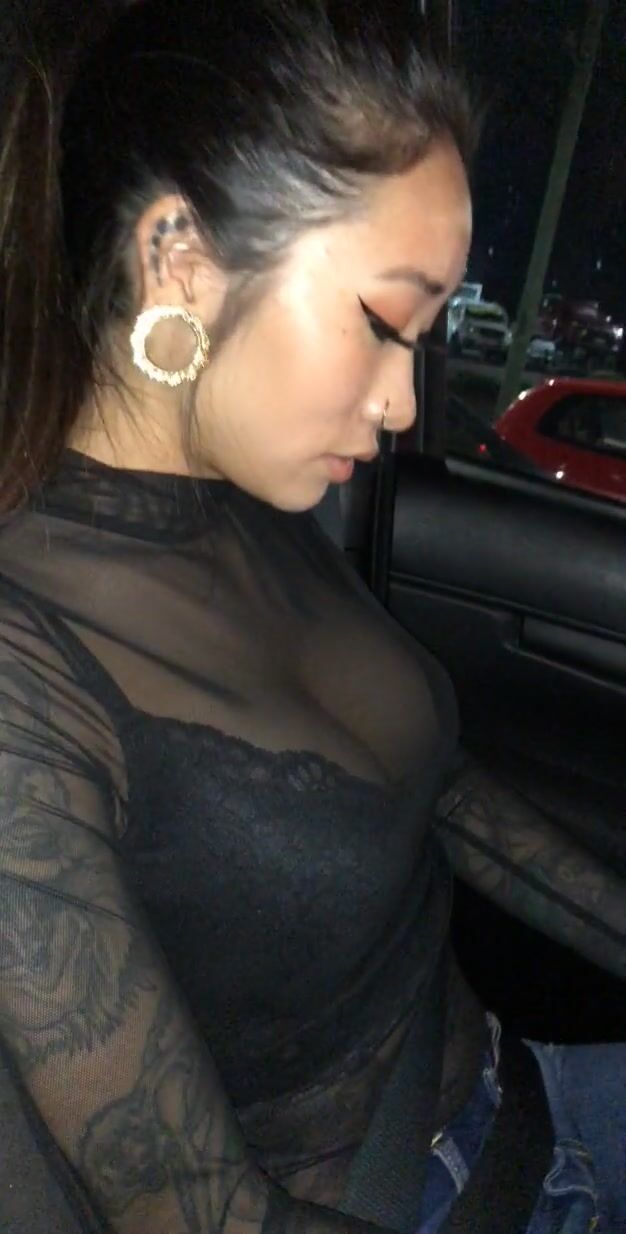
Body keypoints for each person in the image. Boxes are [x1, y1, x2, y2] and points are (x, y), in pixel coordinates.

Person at [0, 2, 625, 1232]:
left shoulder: (256, 499)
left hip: (532, 1093)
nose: (403, 402)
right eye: (382, 325)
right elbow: (192, 1204)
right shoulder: (26, 666)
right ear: (179, 259)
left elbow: (432, 787)